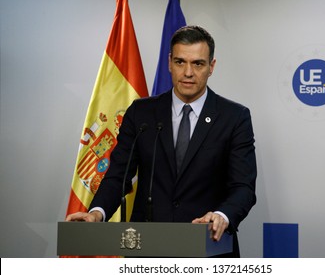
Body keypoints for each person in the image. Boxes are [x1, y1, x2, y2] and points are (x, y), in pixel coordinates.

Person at [66, 25, 257, 257]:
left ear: (211, 67)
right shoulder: (141, 113)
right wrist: (97, 212)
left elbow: (243, 187)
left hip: (209, 248)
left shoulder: (234, 117)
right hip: (148, 248)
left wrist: (222, 215)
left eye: (198, 63)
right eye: (180, 62)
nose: (188, 72)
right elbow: (119, 175)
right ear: (169, 63)